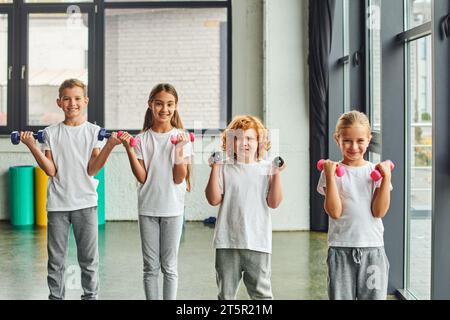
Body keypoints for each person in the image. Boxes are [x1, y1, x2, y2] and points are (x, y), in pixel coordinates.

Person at [20, 78, 122, 300]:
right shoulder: (50, 133)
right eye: (67, 99)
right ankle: (56, 297)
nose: (72, 103)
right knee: (56, 260)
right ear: (59, 102)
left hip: (86, 204)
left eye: (77, 98)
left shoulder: (94, 132)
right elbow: (51, 170)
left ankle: (90, 296)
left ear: (85, 101)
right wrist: (32, 147)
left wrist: (110, 146)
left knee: (88, 259)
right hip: (58, 205)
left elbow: (92, 169)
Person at [119, 83, 193, 300]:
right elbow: (142, 177)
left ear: (176, 106)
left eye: (170, 104)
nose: (164, 109)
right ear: (150, 105)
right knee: (150, 267)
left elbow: (179, 177)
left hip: (173, 209)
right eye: (159, 103)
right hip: (148, 209)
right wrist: (129, 149)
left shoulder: (182, 137)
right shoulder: (141, 139)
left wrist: (179, 149)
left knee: (169, 267)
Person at [205, 115, 285, 300]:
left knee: (262, 295)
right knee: (226, 295)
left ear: (259, 142)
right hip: (227, 242)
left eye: (249, 138)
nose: (243, 143)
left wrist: (276, 174)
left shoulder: (267, 168)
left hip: (257, 243)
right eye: (237, 138)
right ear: (229, 143)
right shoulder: (224, 168)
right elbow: (213, 199)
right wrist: (214, 168)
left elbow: (274, 203)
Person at [317, 110, 392, 300]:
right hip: (341, 249)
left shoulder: (374, 172)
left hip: (372, 249)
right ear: (337, 139)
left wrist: (386, 178)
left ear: (369, 139)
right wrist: (329, 176)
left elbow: (379, 211)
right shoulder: (331, 172)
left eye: (360, 141)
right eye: (347, 141)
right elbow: (334, 212)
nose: (354, 147)